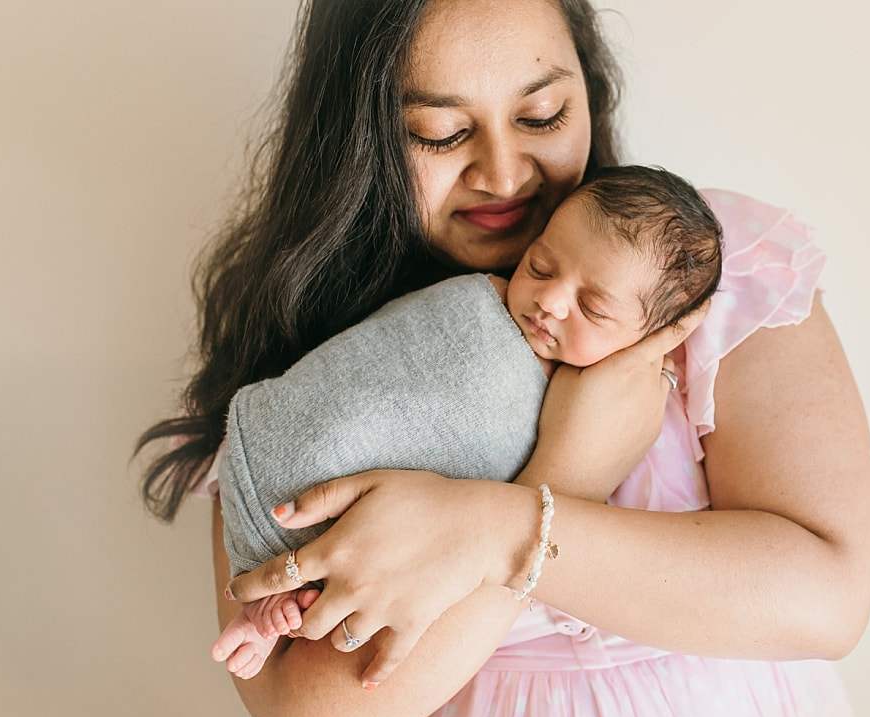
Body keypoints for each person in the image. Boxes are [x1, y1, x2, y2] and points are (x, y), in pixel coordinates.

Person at [136, 0, 870, 717]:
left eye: (542, 117)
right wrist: (561, 477)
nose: (502, 172)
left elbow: (826, 600)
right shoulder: (313, 371)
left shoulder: (702, 272)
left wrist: (501, 531)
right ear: (357, 143)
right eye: (442, 132)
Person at [210, 165, 724, 680]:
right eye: (541, 267)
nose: (549, 300)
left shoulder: (622, 408)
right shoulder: (479, 301)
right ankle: (272, 601)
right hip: (288, 451)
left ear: (649, 338)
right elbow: (381, 368)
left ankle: (275, 612)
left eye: (591, 307)